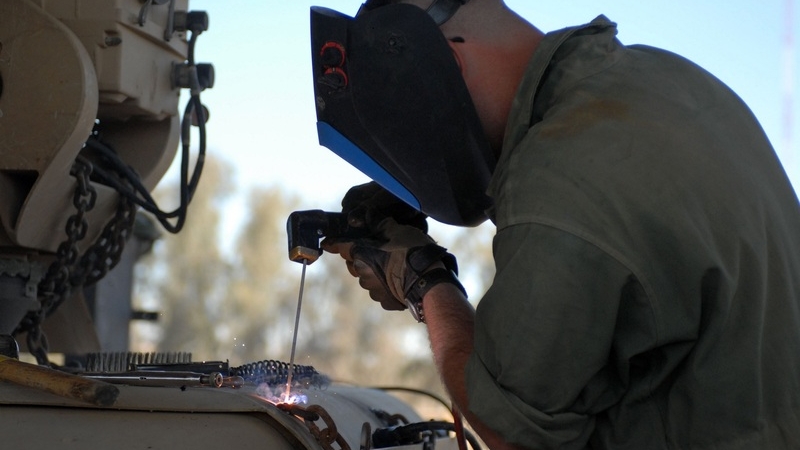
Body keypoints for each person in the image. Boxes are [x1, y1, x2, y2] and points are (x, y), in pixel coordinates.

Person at [313, 0, 800, 448]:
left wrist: (423, 279)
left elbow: (513, 433)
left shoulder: (558, 175)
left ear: (444, 64)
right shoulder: (663, 77)